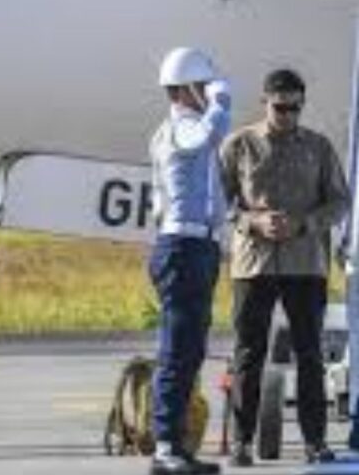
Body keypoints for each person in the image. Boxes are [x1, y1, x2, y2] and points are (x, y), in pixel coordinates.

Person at [219, 68, 350, 467]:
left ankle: (315, 441)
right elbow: (220, 200)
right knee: (248, 352)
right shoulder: (239, 145)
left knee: (310, 354)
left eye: (295, 108)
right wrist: (252, 221)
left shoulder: (319, 147)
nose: (288, 115)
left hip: (304, 263)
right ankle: (242, 441)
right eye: (280, 108)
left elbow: (339, 201)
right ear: (265, 103)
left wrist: (304, 224)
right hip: (253, 263)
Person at [147, 47, 231, 475]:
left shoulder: (182, 127)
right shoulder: (183, 127)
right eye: (201, 86)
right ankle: (165, 447)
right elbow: (206, 136)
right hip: (184, 246)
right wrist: (221, 102)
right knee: (177, 351)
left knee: (190, 350)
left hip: (195, 246)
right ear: (184, 89)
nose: (207, 92)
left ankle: (176, 444)